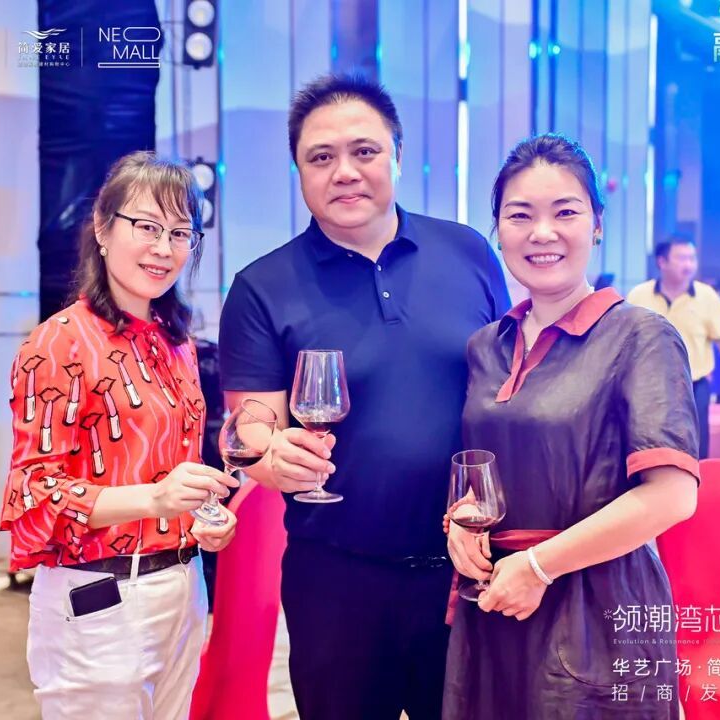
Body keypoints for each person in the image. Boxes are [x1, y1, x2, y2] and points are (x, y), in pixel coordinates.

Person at [217, 73, 510, 720]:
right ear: (299, 172)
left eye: (365, 151)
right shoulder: (262, 287)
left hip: (465, 570)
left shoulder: (467, 253)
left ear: (398, 156)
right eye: (321, 157)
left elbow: (509, 388)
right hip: (335, 584)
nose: (344, 172)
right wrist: (268, 455)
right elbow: (249, 423)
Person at [443, 133, 699, 718]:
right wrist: (458, 520)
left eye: (565, 212)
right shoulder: (486, 347)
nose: (542, 233)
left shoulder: (641, 336)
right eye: (520, 215)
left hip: (599, 608)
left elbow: (672, 496)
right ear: (498, 231)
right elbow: (484, 467)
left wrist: (539, 566)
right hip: (496, 600)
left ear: (597, 225)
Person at [0, 151, 238, 718]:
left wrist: (200, 517)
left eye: (180, 233)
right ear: (103, 230)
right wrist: (155, 499)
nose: (164, 248)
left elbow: (165, 472)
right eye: (147, 226)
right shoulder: (60, 342)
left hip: (181, 586)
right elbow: (35, 495)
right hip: (99, 600)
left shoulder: (174, 341)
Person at [627, 236, 720, 458]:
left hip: (694, 386)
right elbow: (627, 341)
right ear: (662, 262)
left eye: (692, 258)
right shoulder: (639, 295)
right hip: (649, 385)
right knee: (649, 448)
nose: (689, 265)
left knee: (697, 448)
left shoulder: (707, 296)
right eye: (682, 258)